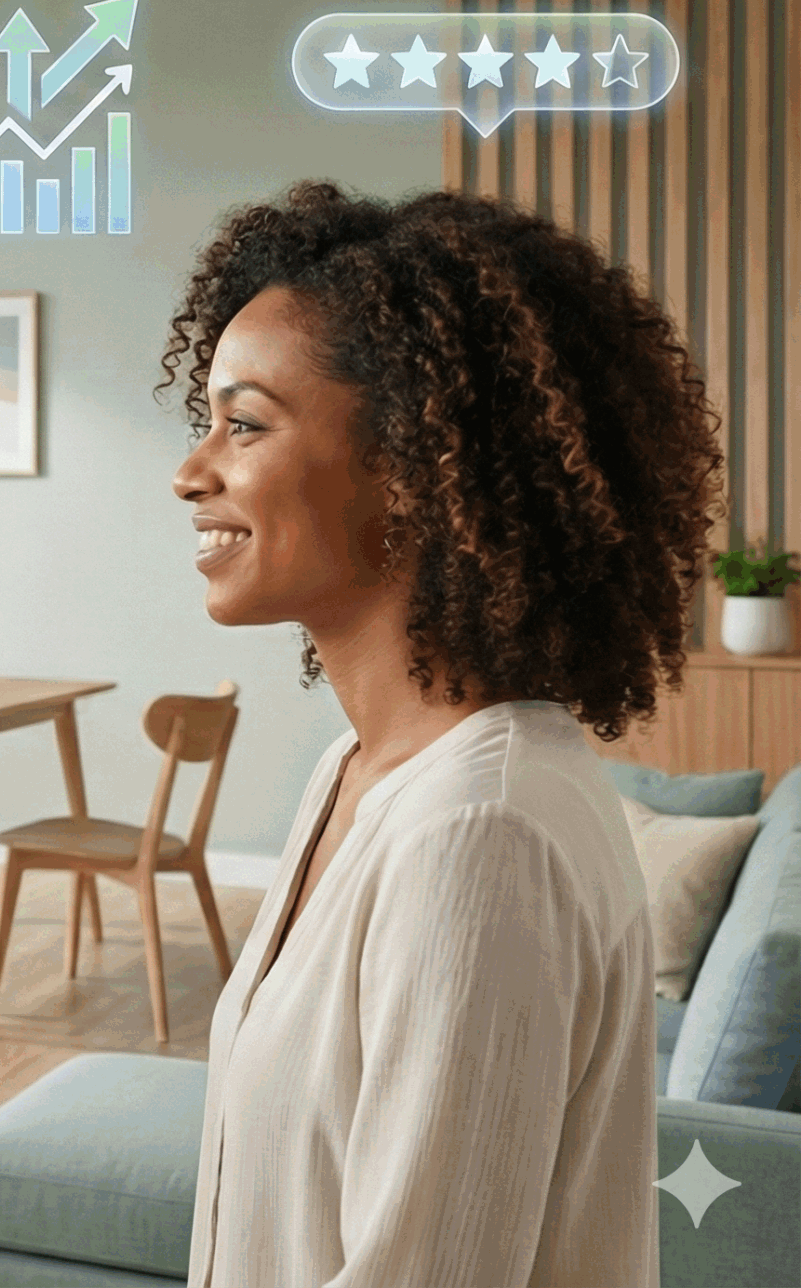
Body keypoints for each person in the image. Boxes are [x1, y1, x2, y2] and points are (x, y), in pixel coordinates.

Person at [165, 181, 720, 1287]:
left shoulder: (476, 832)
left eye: (245, 423)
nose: (192, 470)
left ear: (415, 470)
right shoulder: (360, 771)